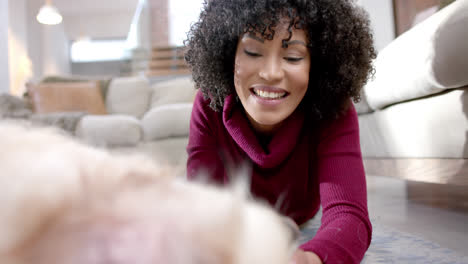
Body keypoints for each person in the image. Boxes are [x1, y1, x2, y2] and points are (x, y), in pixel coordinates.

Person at [184, 0, 376, 263]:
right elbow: (202, 206)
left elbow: (348, 213)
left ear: (316, 64)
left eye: (293, 57)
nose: (271, 73)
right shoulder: (209, 105)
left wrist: (310, 259)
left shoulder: (332, 109)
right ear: (229, 56)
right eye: (252, 51)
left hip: (301, 215)